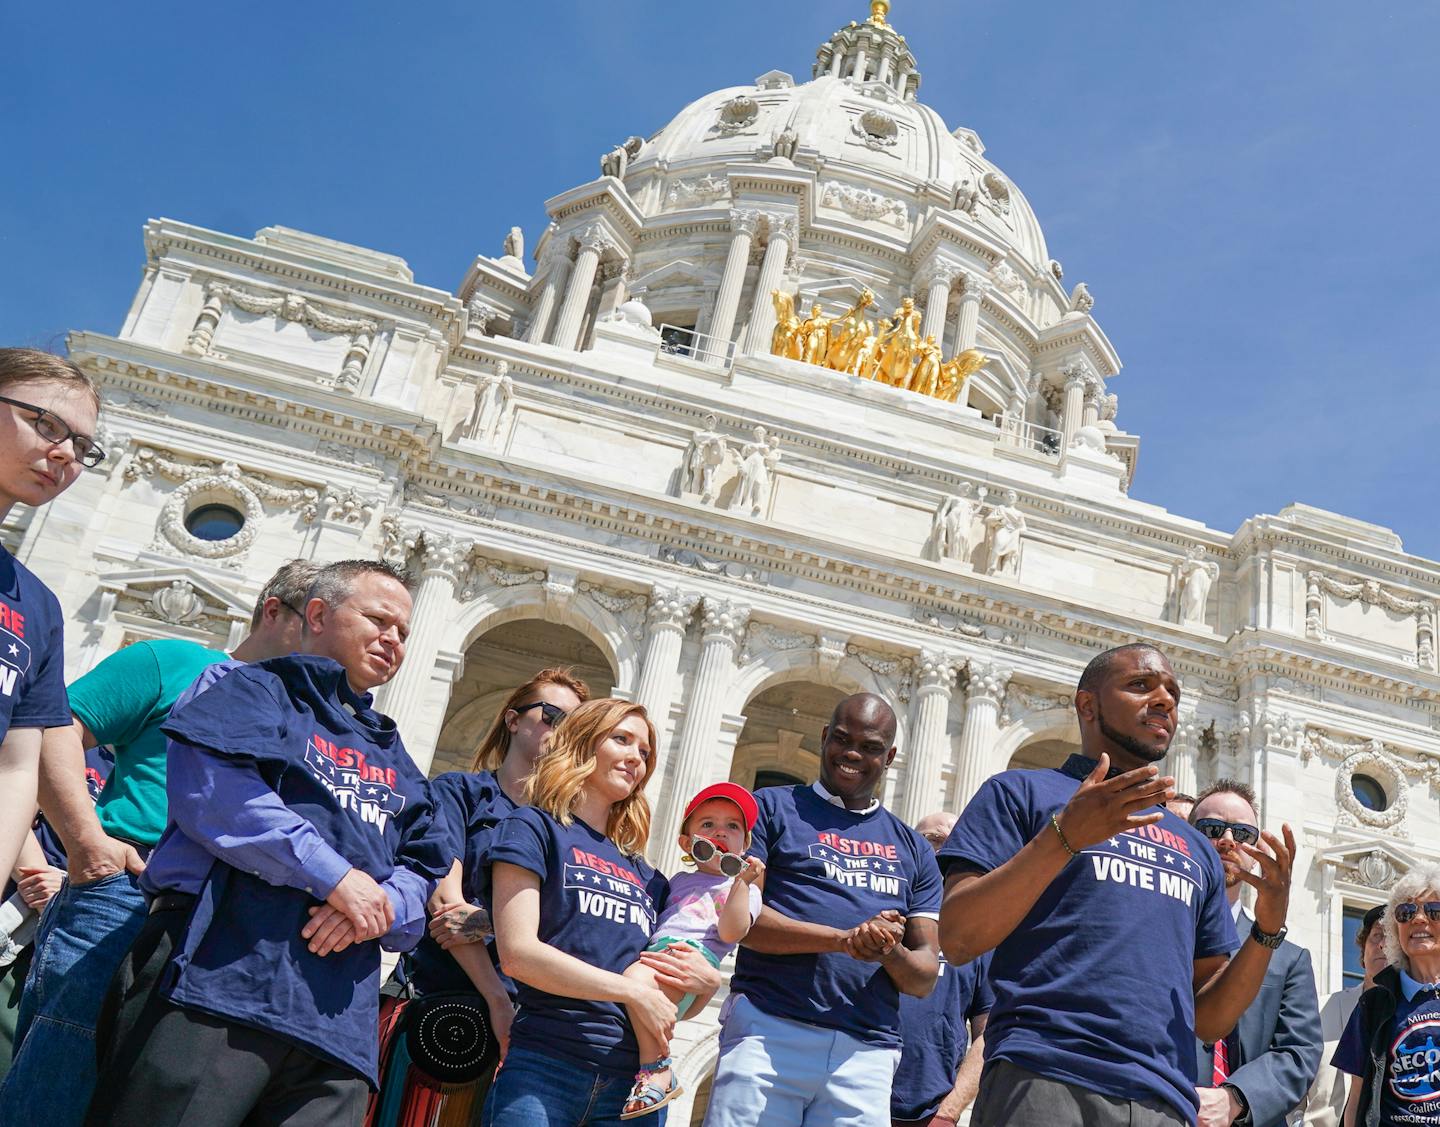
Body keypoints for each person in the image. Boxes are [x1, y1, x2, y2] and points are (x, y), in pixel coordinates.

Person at [85, 559, 450, 1126]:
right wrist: (339, 879)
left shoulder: (400, 760)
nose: (394, 640)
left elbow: (422, 870)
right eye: (379, 619)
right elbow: (218, 798)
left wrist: (375, 907)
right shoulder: (249, 688)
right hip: (216, 981)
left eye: (404, 631)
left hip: (336, 1026)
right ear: (320, 614)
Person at [0, 559, 316, 1125]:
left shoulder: (315, 726)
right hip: (126, 892)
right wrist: (87, 842)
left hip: (227, 926)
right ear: (274, 611)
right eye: (318, 620)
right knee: (56, 1087)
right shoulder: (175, 662)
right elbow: (52, 725)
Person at [939, 642, 1296, 1127]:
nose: (1164, 700)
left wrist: (1267, 930)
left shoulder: (1193, 846)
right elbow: (959, 937)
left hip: (1162, 1100)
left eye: (1172, 691)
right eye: (1141, 685)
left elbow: (1209, 1019)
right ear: (1087, 705)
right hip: (1044, 1075)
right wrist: (1064, 837)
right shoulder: (1019, 794)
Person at [702, 693, 943, 1127]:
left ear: (889, 757)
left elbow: (924, 975)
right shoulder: (770, 809)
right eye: (842, 739)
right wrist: (844, 941)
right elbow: (743, 920)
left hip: (866, 1052)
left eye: (869, 747)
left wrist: (887, 949)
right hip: (769, 1028)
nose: (852, 754)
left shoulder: (914, 849)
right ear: (824, 737)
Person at [484, 698, 720, 1127]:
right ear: (583, 743)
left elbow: (663, 1003)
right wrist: (632, 992)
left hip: (635, 1090)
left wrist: (703, 988)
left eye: (645, 752)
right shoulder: (533, 829)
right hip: (546, 1065)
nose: (636, 758)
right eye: (622, 740)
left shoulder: (651, 878)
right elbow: (518, 954)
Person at [370, 667, 590, 1127]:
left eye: (574, 724)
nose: (560, 730)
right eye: (551, 715)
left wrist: (489, 923)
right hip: (445, 1003)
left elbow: (573, 933)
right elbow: (445, 905)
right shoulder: (460, 793)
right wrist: (498, 999)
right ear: (513, 720)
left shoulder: (570, 830)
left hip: (535, 1025)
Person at [0, 349, 102, 898]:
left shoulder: (37, 606)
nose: (64, 453)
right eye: (44, 424)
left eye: (82, 445)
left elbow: (15, 767)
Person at [620, 782, 765, 1119]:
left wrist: (743, 884)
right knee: (637, 990)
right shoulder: (678, 881)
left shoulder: (744, 890)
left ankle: (657, 1068)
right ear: (687, 842)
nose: (720, 832)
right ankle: (652, 1072)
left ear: (745, 844)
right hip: (659, 954)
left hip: (691, 959)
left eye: (732, 826)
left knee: (634, 982)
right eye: (707, 824)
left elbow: (732, 931)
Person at [1188, 781, 1322, 1127]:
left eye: (1244, 833)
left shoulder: (1289, 958)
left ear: (1254, 849)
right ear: (1185, 838)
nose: (1228, 840)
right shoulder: (1153, 931)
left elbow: (1299, 1052)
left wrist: (1235, 1098)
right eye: (1212, 829)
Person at [891, 812, 993, 1127]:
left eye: (954, 845)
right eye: (932, 841)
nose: (941, 855)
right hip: (849, 1094)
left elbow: (988, 1035)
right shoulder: (879, 913)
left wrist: (948, 1113)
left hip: (928, 1112)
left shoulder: (978, 937)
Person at [1333, 865, 1440, 1127]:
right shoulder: (1373, 1004)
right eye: (1406, 912)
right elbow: (1356, 1098)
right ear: (1395, 929)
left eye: (1434, 910)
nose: (1418, 919)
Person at [1304, 906, 1386, 1126]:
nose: (1382, 944)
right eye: (1377, 935)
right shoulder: (1319, 1009)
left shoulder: (1420, 1020)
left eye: (1392, 938)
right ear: (1362, 953)